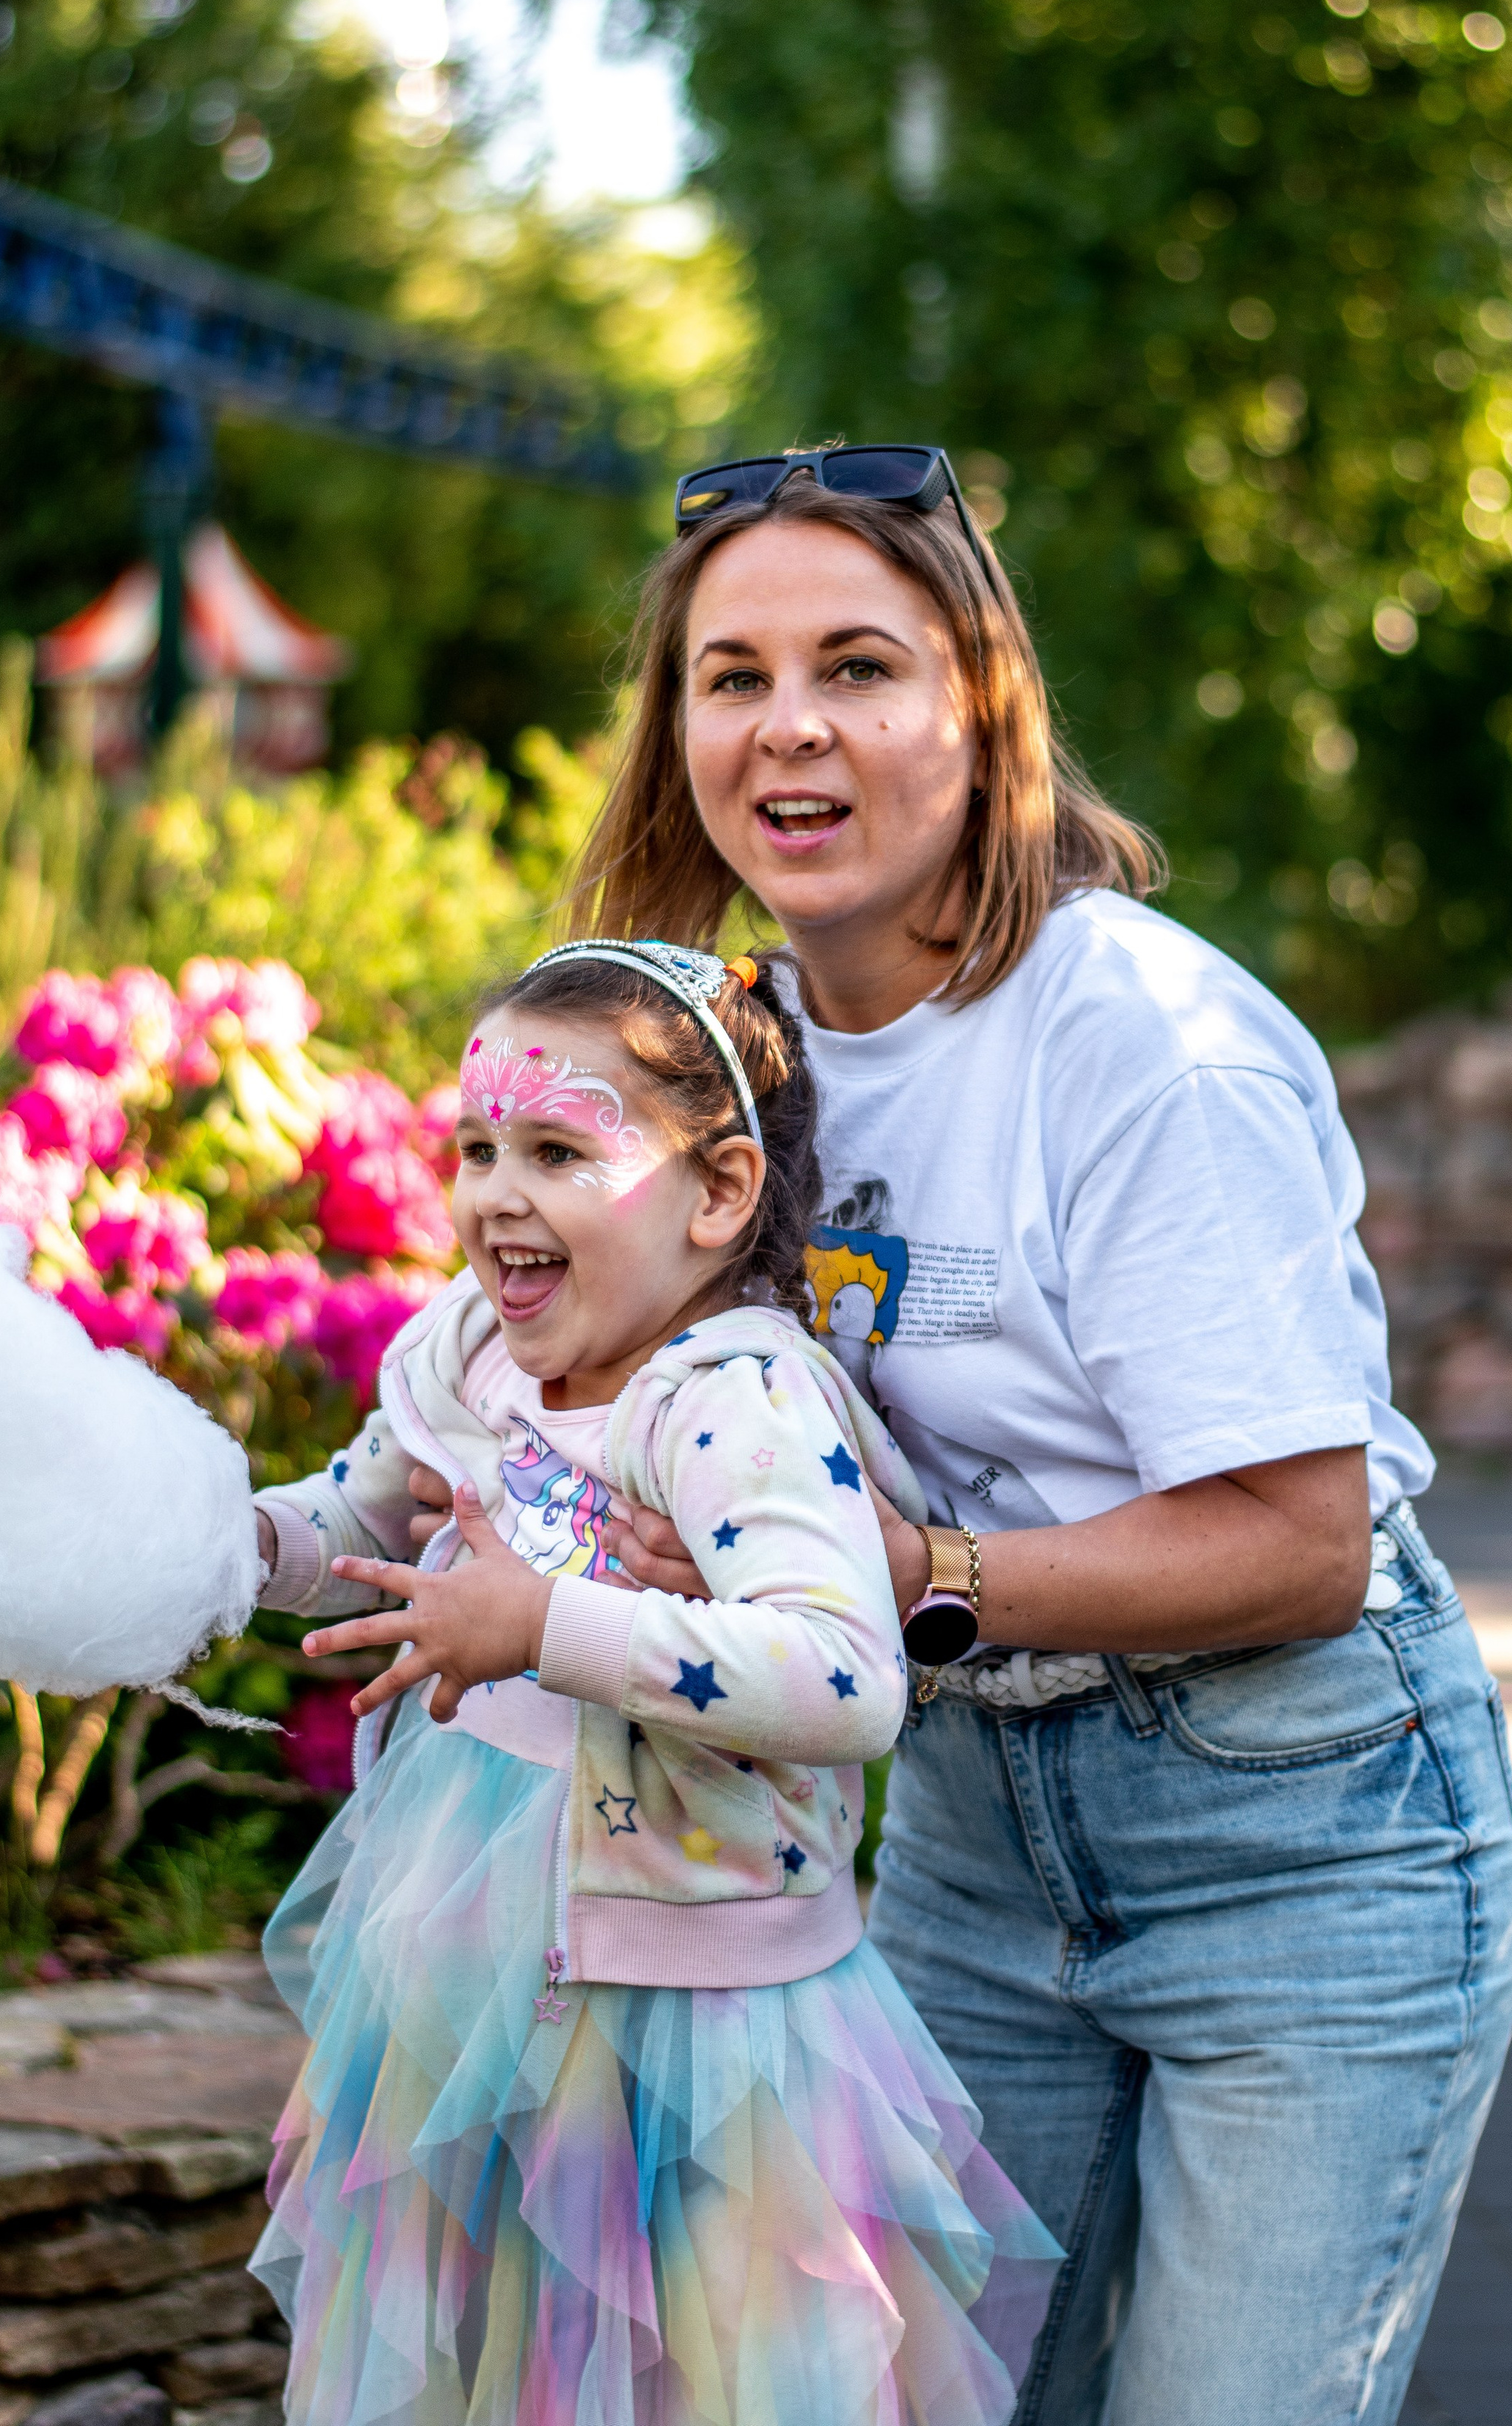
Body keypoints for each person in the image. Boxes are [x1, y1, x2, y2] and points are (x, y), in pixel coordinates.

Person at [489, 447, 1512, 2426]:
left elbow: (1306, 1542)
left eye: (859, 665)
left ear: (982, 706)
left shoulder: (1142, 1042)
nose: (789, 723)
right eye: (732, 676)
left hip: (1301, 1845)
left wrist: (912, 1585)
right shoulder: (726, 1060)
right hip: (974, 1837)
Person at [246, 937, 1060, 2426]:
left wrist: (542, 1625)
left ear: (718, 1192)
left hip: (714, 2045)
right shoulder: (467, 1359)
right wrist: (223, 1544)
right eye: (477, 1147)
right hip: (464, 1994)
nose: (498, 1193)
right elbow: (352, 1513)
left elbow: (839, 1675)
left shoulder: (730, 1401)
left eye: (558, 1150)